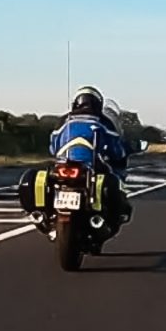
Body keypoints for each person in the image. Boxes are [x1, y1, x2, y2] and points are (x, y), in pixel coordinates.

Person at [47, 86, 133, 226]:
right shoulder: (104, 122)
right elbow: (116, 151)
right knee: (113, 183)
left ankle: (47, 215)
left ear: (76, 103)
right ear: (98, 104)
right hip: (92, 166)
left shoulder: (63, 121)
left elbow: (52, 147)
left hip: (64, 164)